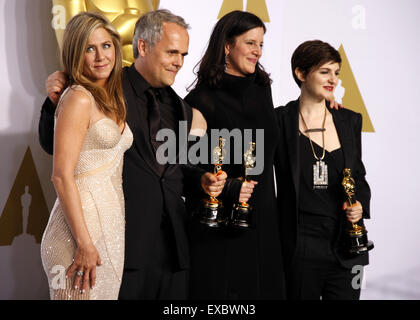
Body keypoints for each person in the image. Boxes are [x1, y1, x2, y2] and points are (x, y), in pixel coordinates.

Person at [39, 9, 226, 299]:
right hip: (122, 244)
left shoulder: (180, 107)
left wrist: (200, 180)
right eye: (172, 52)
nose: (179, 62)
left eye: (184, 55)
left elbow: (171, 170)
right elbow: (59, 154)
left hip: (173, 247)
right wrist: (53, 103)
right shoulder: (106, 88)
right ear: (142, 47)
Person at [183, 11, 286, 299]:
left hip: (263, 223)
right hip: (220, 231)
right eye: (250, 43)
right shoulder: (199, 101)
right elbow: (183, 167)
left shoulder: (262, 89)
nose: (258, 51)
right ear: (227, 46)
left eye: (261, 44)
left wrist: (323, 105)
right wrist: (228, 188)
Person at [40, 12, 133, 300]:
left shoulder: (113, 97)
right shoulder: (79, 98)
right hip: (76, 237)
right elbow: (61, 174)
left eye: (106, 46)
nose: (100, 56)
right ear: (75, 54)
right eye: (89, 48)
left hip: (109, 231)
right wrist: (84, 242)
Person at [274, 40, 371, 300]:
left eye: (336, 73)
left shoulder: (349, 120)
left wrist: (360, 204)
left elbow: (358, 176)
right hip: (300, 246)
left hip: (346, 246)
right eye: (324, 71)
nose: (333, 80)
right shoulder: (279, 121)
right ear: (301, 73)